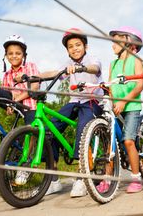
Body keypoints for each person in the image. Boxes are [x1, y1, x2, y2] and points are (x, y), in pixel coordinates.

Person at [31, 28, 103, 198]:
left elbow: (94, 68)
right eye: (70, 46)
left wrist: (81, 68)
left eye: (78, 45)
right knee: (49, 130)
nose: (75, 48)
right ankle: (53, 180)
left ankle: (82, 178)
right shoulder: (67, 64)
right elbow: (55, 73)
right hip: (74, 102)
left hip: (92, 101)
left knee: (83, 131)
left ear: (85, 46)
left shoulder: (92, 59)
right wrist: (35, 76)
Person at [96, 26, 143, 194]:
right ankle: (107, 178)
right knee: (111, 143)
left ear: (129, 41)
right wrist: (106, 93)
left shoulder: (136, 60)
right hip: (116, 108)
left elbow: (139, 86)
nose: (113, 45)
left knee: (128, 141)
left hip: (131, 106)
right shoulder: (113, 64)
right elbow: (111, 86)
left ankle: (136, 178)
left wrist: (123, 102)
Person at [0, 34, 39, 125]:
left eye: (18, 53)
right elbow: (5, 94)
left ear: (24, 55)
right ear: (6, 56)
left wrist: (15, 99)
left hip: (30, 106)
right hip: (14, 104)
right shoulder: (7, 75)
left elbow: (34, 87)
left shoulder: (30, 66)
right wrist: (9, 104)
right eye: (10, 53)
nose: (14, 56)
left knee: (31, 132)